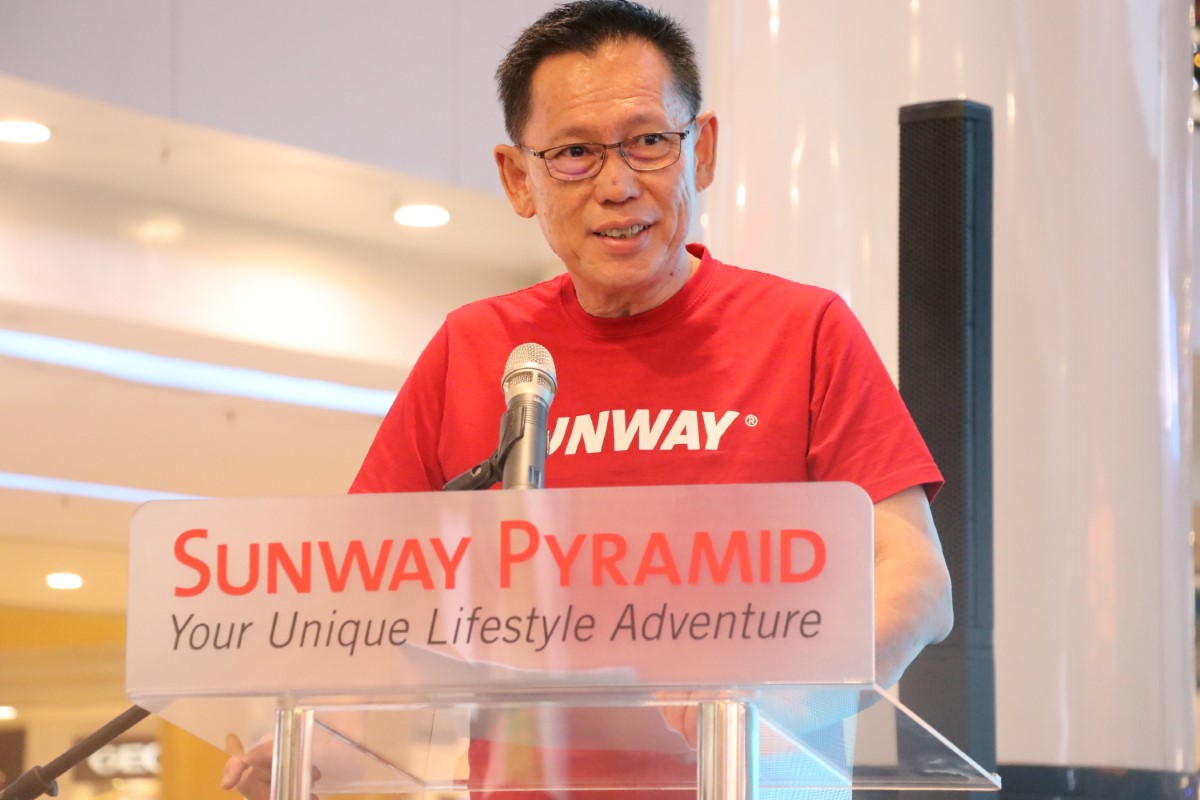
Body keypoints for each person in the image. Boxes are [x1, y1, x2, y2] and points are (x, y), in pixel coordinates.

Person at [223, 1, 952, 797]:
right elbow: (367, 596)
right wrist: (321, 741)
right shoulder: (474, 349)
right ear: (517, 178)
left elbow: (913, 579)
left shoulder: (803, 330)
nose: (616, 184)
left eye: (648, 142)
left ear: (700, 152)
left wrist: (767, 707)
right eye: (573, 152)